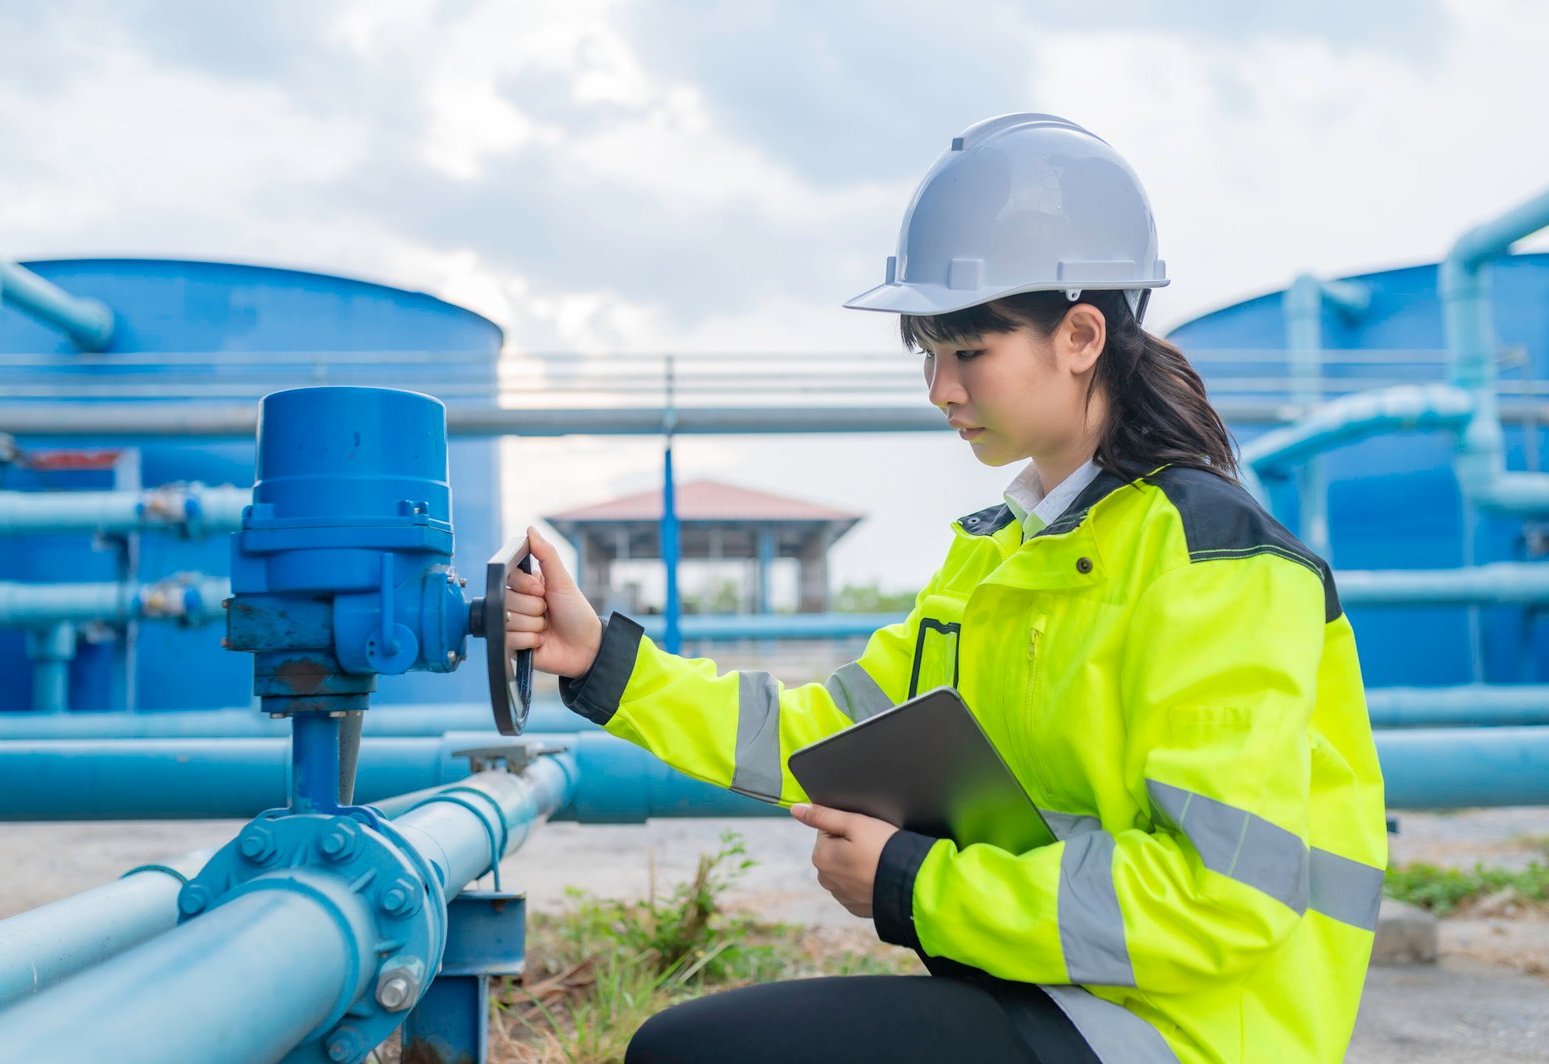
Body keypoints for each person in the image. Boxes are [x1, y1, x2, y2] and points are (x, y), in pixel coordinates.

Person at [504, 113, 1386, 1064]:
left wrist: (914, 887)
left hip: (1193, 1035)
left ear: (1082, 335)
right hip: (1056, 993)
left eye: (968, 351)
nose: (940, 388)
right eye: (926, 353)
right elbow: (820, 732)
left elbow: (1219, 904)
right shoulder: (1003, 554)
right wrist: (604, 662)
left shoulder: (1216, 566)